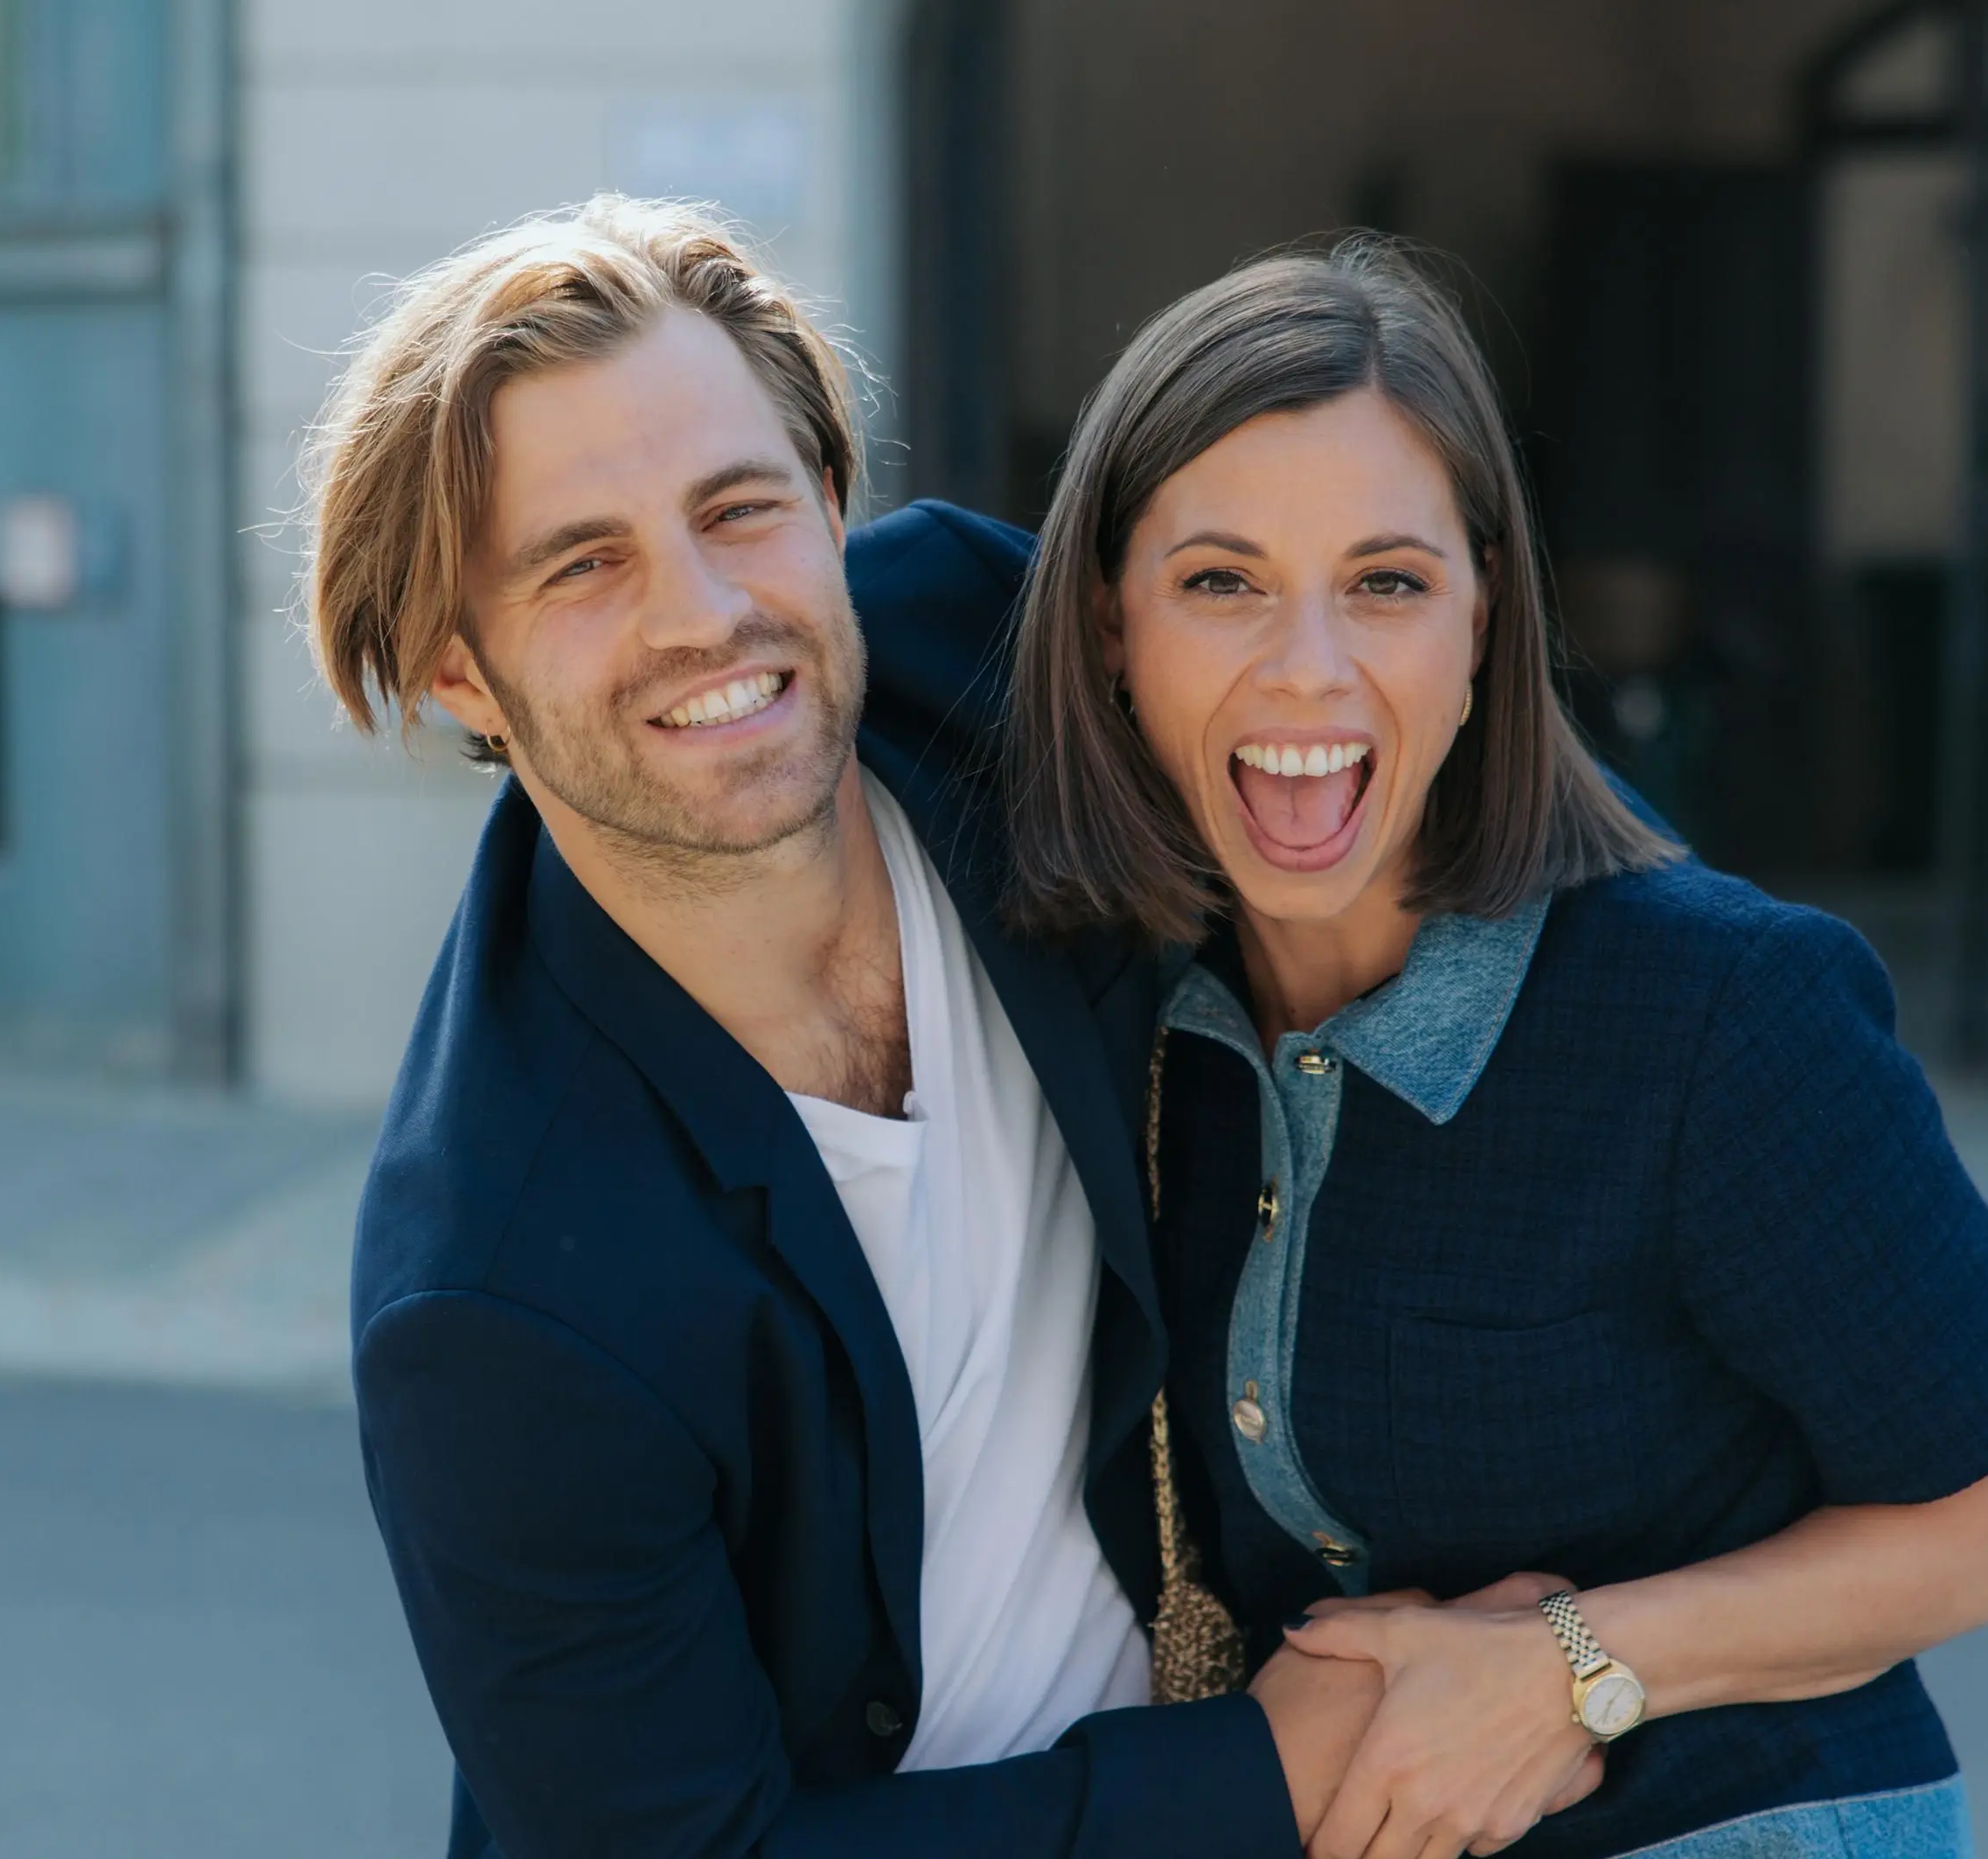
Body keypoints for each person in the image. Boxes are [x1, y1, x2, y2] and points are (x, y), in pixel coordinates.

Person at [1001, 240, 1988, 1859]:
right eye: (1220, 581)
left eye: (1386, 582)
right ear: (1110, 629)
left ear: (1480, 624)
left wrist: (1567, 1670)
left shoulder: (1722, 1010)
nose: (1308, 665)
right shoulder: (1132, 1025)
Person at [303, 198, 1380, 1859]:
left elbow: (1367, 762)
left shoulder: (975, 654)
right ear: (459, 670)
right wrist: (1258, 1776)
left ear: (824, 500)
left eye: (741, 509)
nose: (704, 614)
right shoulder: (497, 1290)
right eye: (584, 563)